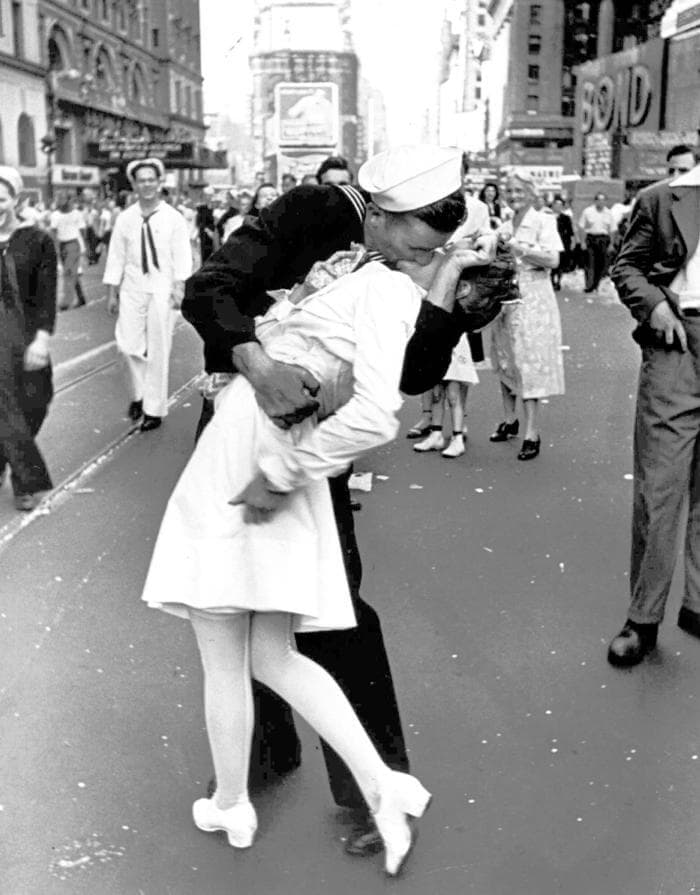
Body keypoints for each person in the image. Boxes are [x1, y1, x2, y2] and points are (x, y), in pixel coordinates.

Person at [181, 145, 468, 857]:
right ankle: (262, 747)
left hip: (312, 443)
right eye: (414, 245)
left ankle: (375, 784)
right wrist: (260, 363)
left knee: (332, 604)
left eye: (434, 251)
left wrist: (451, 312)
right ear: (383, 212)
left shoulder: (415, 260)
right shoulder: (311, 213)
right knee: (239, 599)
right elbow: (208, 287)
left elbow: (411, 373)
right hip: (249, 423)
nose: (416, 260)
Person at [606, 152, 700, 667]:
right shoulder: (663, 197)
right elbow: (627, 266)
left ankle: (698, 605)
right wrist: (655, 304)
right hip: (679, 343)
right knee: (660, 489)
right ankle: (642, 619)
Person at [103, 158, 192, 431]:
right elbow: (116, 257)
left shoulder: (173, 218)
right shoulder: (125, 219)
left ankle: (153, 409)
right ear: (134, 185)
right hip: (132, 288)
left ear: (159, 182)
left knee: (159, 348)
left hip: (162, 289)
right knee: (127, 346)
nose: (147, 185)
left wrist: (179, 288)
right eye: (141, 180)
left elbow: (182, 256)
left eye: (151, 179)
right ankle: (139, 395)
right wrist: (112, 292)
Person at [489, 171, 565, 461]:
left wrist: (518, 247)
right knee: (505, 359)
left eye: (519, 190)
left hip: (534, 296)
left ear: (532, 193)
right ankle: (510, 419)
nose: (513, 195)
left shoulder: (544, 221)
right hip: (506, 297)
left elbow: (553, 259)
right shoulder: (504, 224)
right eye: (509, 190)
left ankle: (532, 432)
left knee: (529, 362)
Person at [0, 166, 56, 511]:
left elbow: (45, 295)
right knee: (5, 404)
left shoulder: (36, 240)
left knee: (36, 400)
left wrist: (42, 340)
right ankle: (28, 481)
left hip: (25, 333)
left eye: (0, 199)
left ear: (15, 200)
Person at [50, 193, 87, 310]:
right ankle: (81, 298)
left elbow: (82, 231)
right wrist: (54, 247)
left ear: (68, 200)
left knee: (68, 272)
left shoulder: (76, 214)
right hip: (62, 245)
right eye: (58, 199)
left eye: (62, 198)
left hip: (73, 244)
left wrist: (85, 247)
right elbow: (53, 232)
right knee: (71, 273)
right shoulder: (55, 215)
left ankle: (66, 302)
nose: (60, 201)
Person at [578, 192, 615, 293]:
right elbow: (581, 227)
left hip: (603, 239)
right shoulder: (588, 211)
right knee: (590, 263)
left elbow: (612, 229)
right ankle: (589, 285)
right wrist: (582, 242)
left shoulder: (609, 213)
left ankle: (596, 284)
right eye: (599, 200)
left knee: (601, 264)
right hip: (591, 238)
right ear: (595, 201)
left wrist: (611, 244)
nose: (601, 202)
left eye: (603, 200)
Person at [551, 196, 574, 290]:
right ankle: (552, 280)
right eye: (556, 205)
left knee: (561, 263)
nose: (558, 207)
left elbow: (570, 232)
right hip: (550, 243)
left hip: (563, 243)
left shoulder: (566, 218)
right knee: (552, 262)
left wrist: (572, 242)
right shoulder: (547, 217)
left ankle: (559, 281)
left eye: (560, 205)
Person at [195, 187, 219, 264]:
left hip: (216, 234)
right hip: (205, 235)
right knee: (205, 257)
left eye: (209, 195)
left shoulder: (217, 206)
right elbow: (199, 222)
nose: (207, 197)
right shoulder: (200, 208)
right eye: (206, 195)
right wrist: (207, 231)